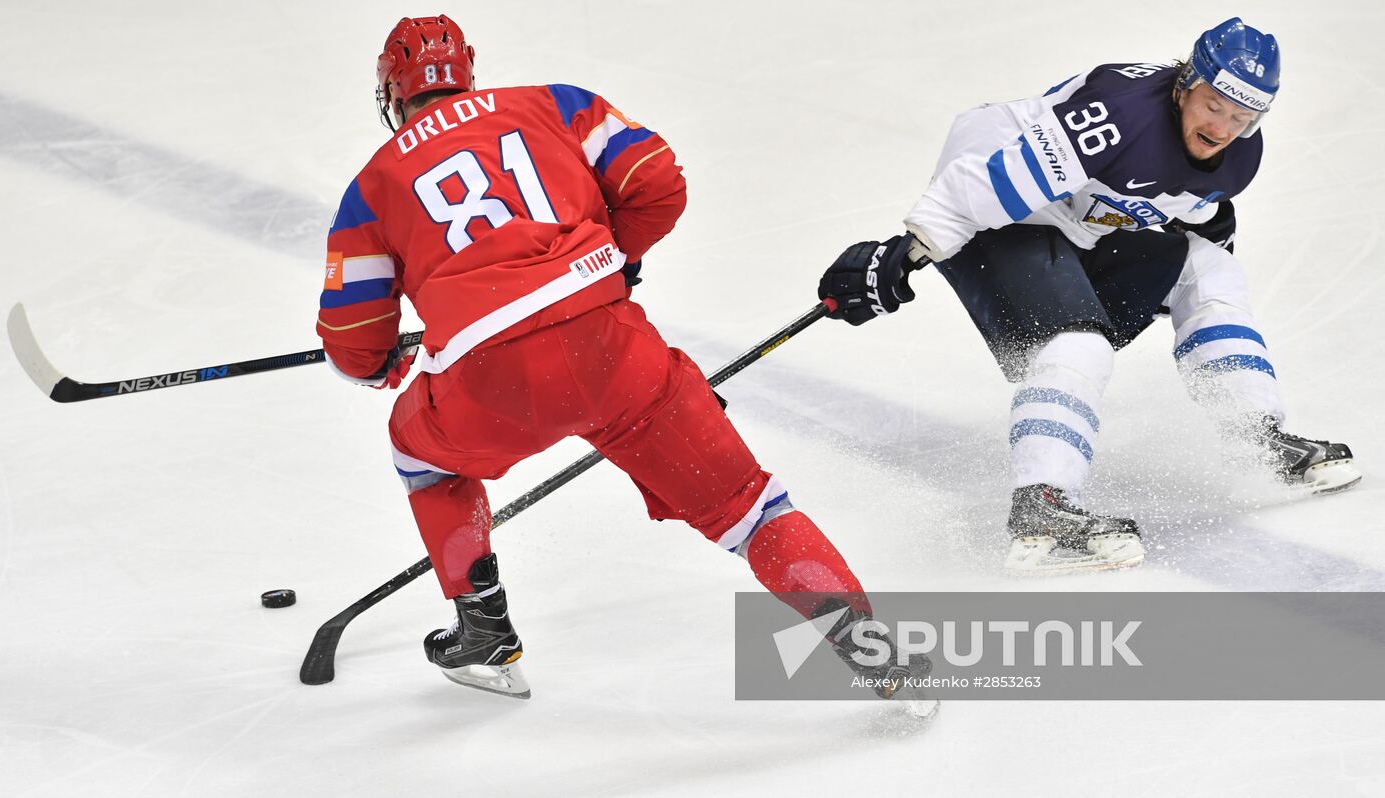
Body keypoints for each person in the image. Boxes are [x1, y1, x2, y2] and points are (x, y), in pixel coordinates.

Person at [317, 15, 929, 702]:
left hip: (492, 386)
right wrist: (614, 256)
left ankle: (483, 629)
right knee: (751, 509)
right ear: (468, 74)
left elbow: (354, 340)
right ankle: (881, 658)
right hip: (617, 356)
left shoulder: (371, 185)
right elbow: (658, 183)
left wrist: (392, 366)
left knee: (418, 451)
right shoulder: (554, 104)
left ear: (394, 95)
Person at [818, 18, 1361, 576]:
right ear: (1185, 83)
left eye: (1242, 116)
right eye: (1214, 104)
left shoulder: (1241, 154)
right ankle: (1040, 511)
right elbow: (989, 186)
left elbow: (1189, 209)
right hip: (991, 210)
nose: (1223, 126)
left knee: (1211, 271)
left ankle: (1255, 437)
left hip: (1076, 224)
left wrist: (1196, 238)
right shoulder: (1119, 114)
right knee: (1078, 345)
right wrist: (905, 252)